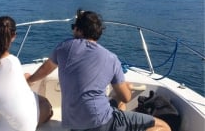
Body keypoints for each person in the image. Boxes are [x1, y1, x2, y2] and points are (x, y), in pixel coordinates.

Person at [27, 9, 171, 131]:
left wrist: (30, 80)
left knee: (117, 103)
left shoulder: (64, 47)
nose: (72, 30)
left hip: (74, 125)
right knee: (164, 126)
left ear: (79, 30)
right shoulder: (111, 58)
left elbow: (45, 69)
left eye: (73, 27)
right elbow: (126, 97)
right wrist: (126, 87)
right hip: (101, 123)